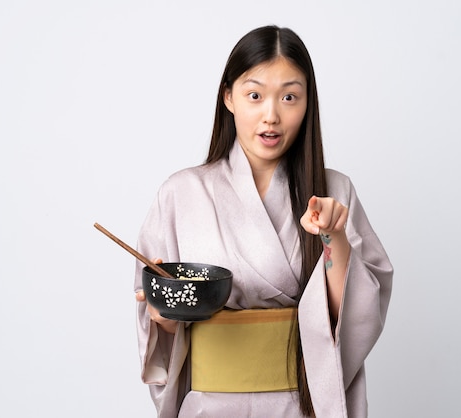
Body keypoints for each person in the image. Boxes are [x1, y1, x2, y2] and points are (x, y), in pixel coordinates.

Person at [134, 25, 393, 418]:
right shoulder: (181, 193)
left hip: (301, 403)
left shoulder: (335, 189)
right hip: (212, 404)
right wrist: (164, 315)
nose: (271, 116)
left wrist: (334, 237)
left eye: (289, 97)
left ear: (308, 103)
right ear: (229, 97)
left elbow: (354, 318)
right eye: (254, 95)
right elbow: (160, 336)